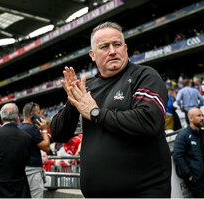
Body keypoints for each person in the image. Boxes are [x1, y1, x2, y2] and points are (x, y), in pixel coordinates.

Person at [51, 22, 171, 197]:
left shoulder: (144, 76)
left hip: (144, 192)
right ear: (92, 54)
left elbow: (148, 121)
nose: (112, 51)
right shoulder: (87, 88)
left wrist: (95, 113)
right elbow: (58, 133)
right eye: (104, 46)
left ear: (125, 48)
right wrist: (73, 101)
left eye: (117, 44)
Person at [173, 108, 204, 198]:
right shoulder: (183, 135)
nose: (202, 118)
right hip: (196, 179)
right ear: (190, 118)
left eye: (202, 115)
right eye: (199, 116)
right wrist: (189, 175)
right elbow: (177, 156)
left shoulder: (202, 135)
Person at [18, 102, 50, 198]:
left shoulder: (18, 127)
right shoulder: (31, 129)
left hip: (21, 171)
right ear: (32, 114)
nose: (40, 115)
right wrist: (44, 130)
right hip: (33, 172)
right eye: (39, 113)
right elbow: (46, 147)